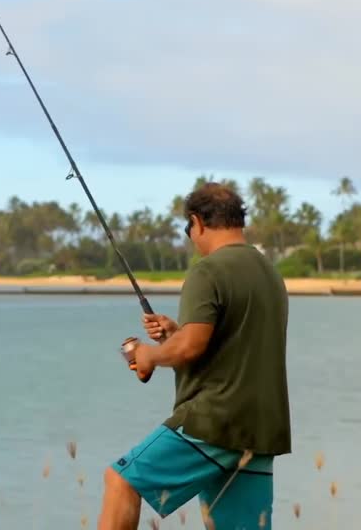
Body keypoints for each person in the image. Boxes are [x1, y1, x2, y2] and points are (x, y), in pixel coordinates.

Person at [97, 182, 292, 529]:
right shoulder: (269, 273)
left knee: (121, 481)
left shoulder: (208, 271)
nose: (191, 237)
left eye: (189, 229)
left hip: (213, 422)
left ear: (196, 221)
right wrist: (176, 332)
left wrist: (149, 355)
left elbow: (191, 347)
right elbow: (226, 342)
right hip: (260, 432)